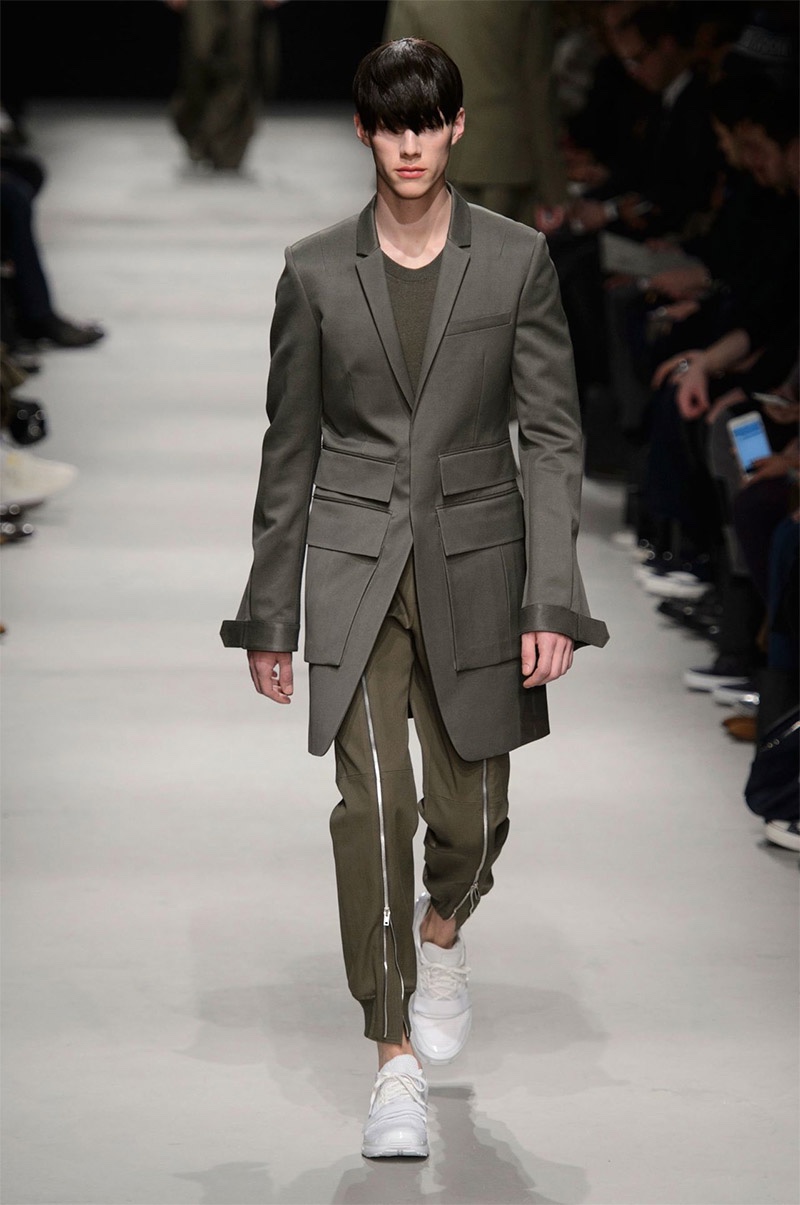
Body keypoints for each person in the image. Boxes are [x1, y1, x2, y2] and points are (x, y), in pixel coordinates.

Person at [220, 38, 608, 1160]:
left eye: (425, 123)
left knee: (473, 817)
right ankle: (390, 1056)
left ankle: (442, 929)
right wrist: (270, 612)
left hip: (478, 566)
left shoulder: (517, 260)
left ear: (455, 128)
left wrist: (551, 595)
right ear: (363, 132)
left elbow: (551, 435)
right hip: (353, 564)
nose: (408, 144)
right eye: (390, 125)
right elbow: (288, 451)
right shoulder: (312, 271)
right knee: (372, 806)